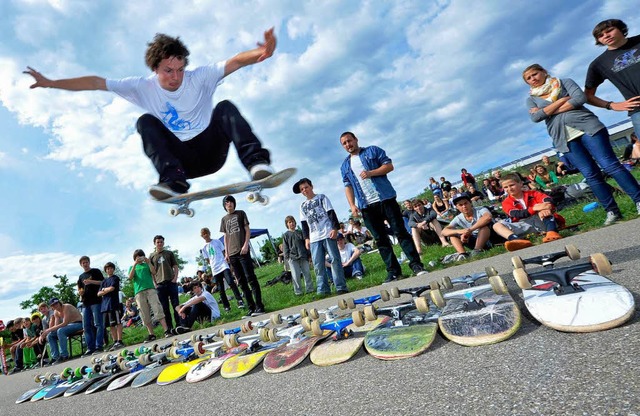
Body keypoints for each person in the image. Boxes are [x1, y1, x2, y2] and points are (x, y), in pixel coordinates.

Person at [23, 29, 277, 200]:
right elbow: (95, 82)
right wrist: (51, 83)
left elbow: (236, 61)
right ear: (155, 68)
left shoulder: (200, 77)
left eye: (179, 69)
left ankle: (256, 163)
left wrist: (262, 51)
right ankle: (172, 181)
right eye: (168, 70)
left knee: (225, 108)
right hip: (182, 162)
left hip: (212, 152)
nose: (175, 77)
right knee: (145, 122)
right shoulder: (140, 86)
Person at [523, 63, 640, 225]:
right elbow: (535, 118)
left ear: (543, 72)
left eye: (534, 74)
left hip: (588, 127)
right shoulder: (531, 99)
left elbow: (580, 98)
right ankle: (612, 211)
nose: (532, 79)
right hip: (563, 138)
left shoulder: (565, 82)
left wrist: (546, 111)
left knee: (610, 165)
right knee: (590, 174)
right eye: (528, 78)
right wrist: (562, 100)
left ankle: (638, 200)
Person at [339, 131, 427, 283]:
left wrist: (371, 173)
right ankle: (394, 272)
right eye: (344, 143)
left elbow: (389, 166)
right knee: (380, 240)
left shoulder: (372, 150)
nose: (348, 145)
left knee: (400, 233)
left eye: (349, 141)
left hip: (385, 199)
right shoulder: (345, 166)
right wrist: (352, 205)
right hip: (366, 206)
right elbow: (348, 186)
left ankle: (416, 265)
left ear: (356, 139)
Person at [585, 19, 640, 137]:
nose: (606, 36)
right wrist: (611, 105)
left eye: (610, 30)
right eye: (600, 35)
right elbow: (588, 95)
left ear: (621, 29)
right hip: (638, 109)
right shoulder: (599, 64)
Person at [293, 178, 349, 295]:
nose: (305, 190)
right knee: (318, 264)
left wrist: (335, 229)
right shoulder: (302, 205)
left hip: (327, 233)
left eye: (306, 187)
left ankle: (340, 287)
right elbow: (304, 223)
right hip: (314, 238)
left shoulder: (322, 197)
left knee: (334, 259)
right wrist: (307, 238)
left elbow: (331, 213)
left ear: (311, 186)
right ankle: (323, 290)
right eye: (302, 189)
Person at [492, 173, 564, 251]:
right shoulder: (506, 202)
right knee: (496, 225)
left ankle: (552, 232)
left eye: (512, 185)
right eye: (506, 187)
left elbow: (548, 200)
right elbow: (517, 214)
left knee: (543, 210)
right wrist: (534, 208)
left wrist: (547, 205)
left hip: (541, 221)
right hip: (523, 225)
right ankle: (515, 240)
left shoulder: (533, 193)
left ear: (520, 184)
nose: (509, 189)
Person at [220, 195, 265, 315]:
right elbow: (225, 236)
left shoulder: (240, 214)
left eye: (231, 202)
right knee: (241, 282)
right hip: (232, 254)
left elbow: (247, 229)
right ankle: (251, 307)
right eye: (226, 203)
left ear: (234, 203)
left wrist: (246, 245)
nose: (229, 204)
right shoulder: (224, 219)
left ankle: (260, 306)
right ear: (224, 206)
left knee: (251, 278)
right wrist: (226, 253)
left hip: (243, 251)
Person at [129, 249, 171, 340]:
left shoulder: (146, 265)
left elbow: (154, 272)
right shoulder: (132, 266)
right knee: (144, 312)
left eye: (141, 256)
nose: (139, 258)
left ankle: (166, 330)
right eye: (137, 256)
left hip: (150, 289)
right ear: (134, 258)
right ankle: (151, 334)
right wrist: (135, 264)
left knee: (157, 307)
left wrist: (148, 262)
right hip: (139, 292)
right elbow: (130, 277)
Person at [200, 227, 244, 311]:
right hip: (215, 268)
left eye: (206, 233)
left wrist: (227, 263)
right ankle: (226, 306)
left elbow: (224, 252)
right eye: (203, 234)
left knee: (231, 282)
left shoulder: (217, 241)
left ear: (209, 233)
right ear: (202, 236)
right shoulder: (204, 247)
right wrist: (213, 263)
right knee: (220, 288)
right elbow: (207, 259)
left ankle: (239, 300)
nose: (205, 235)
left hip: (223, 265)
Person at [442, 193, 494, 258]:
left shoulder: (481, 209)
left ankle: (477, 250)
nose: (464, 206)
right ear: (457, 207)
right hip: (474, 239)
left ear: (470, 203)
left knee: (484, 227)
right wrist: (461, 231)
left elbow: (488, 217)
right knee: (452, 235)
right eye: (460, 205)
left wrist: (470, 230)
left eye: (465, 203)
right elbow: (444, 231)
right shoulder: (458, 218)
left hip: (489, 236)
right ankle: (463, 255)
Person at [149, 235, 180, 330]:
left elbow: (175, 266)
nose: (160, 243)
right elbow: (151, 271)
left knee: (176, 305)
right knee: (165, 308)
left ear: (163, 243)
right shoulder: (151, 256)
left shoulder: (169, 253)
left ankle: (179, 325)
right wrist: (155, 284)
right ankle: (169, 328)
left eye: (161, 242)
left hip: (171, 282)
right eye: (158, 242)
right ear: (154, 243)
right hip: (160, 285)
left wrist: (175, 278)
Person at [40, 298, 83, 365]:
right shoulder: (55, 312)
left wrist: (48, 330)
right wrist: (45, 333)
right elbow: (56, 326)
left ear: (59, 302)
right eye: (53, 305)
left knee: (60, 331)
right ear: (51, 307)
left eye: (56, 303)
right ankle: (55, 357)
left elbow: (65, 323)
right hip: (68, 326)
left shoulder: (66, 307)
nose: (55, 305)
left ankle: (64, 355)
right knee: (50, 335)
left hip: (78, 324)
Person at [77, 255, 105, 356]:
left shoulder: (96, 271)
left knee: (98, 324)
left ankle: (99, 346)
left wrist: (91, 281)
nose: (85, 264)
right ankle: (90, 347)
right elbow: (79, 288)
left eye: (86, 262)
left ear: (89, 262)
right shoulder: (81, 277)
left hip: (96, 301)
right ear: (81, 265)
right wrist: (80, 292)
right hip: (85, 303)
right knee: (86, 326)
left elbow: (103, 282)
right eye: (83, 263)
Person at [282, 216, 314, 296]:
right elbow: (285, 248)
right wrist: (287, 258)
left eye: (292, 221)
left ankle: (310, 289)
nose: (291, 223)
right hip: (292, 258)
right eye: (289, 222)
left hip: (303, 256)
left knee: (307, 273)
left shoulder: (300, 232)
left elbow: (306, 244)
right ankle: (298, 292)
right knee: (296, 275)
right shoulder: (286, 235)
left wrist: (309, 255)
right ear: (287, 224)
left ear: (295, 222)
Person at [97, 262, 124, 351]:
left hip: (114, 304)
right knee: (110, 325)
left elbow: (112, 288)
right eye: (107, 269)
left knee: (118, 322)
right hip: (105, 306)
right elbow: (99, 293)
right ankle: (115, 341)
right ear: (105, 271)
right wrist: (105, 290)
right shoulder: (104, 281)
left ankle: (120, 341)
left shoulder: (115, 278)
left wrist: (104, 290)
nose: (109, 270)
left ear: (113, 269)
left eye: (111, 268)